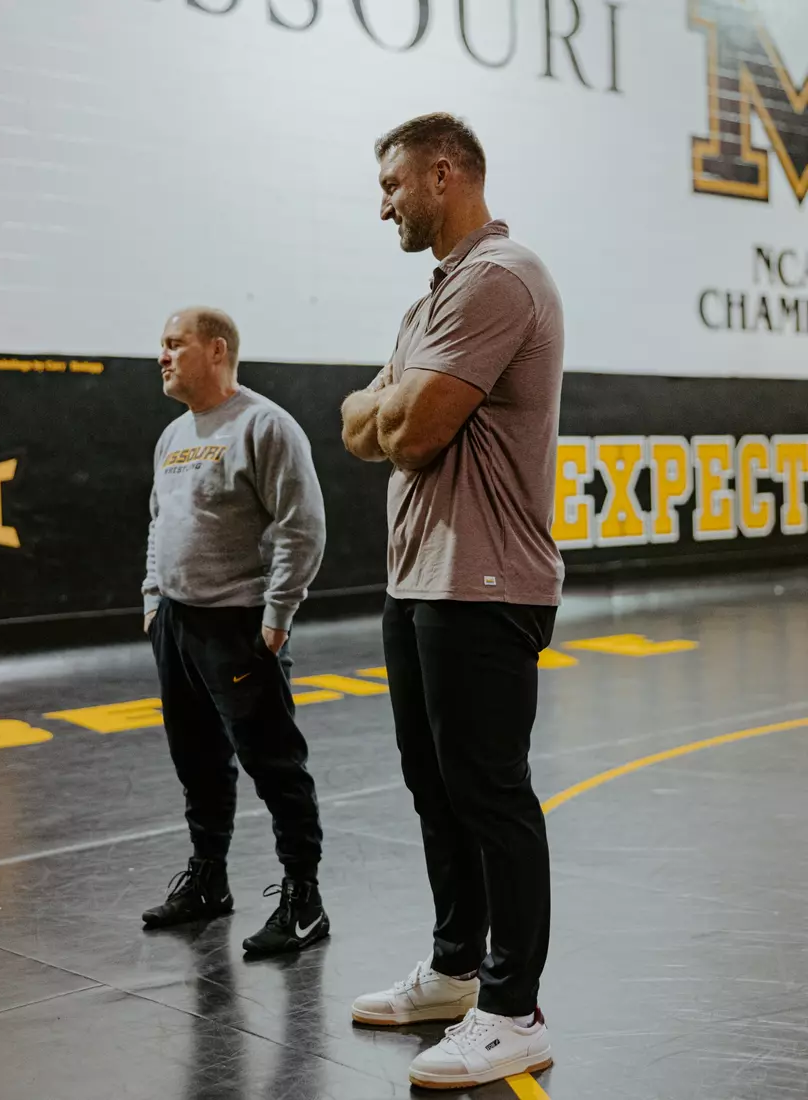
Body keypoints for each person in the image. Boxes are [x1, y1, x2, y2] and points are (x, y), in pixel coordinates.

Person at [342, 114, 565, 1089]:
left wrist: (395, 402)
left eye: (392, 183)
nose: (381, 202)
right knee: (434, 785)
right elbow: (359, 421)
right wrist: (392, 402)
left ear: (444, 173)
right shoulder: (433, 297)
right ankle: (452, 968)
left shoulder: (497, 278)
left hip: (483, 579)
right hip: (419, 577)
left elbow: (413, 428)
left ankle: (513, 1007)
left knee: (489, 788)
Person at [141, 306, 330, 957]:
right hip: (178, 625)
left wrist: (277, 615)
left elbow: (302, 526)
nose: (162, 356)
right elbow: (157, 522)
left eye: (174, 344)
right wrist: (152, 600)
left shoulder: (264, 425)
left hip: (240, 630)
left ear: (215, 350)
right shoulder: (171, 436)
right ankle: (208, 882)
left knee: (274, 767)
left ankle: (304, 901)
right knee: (197, 762)